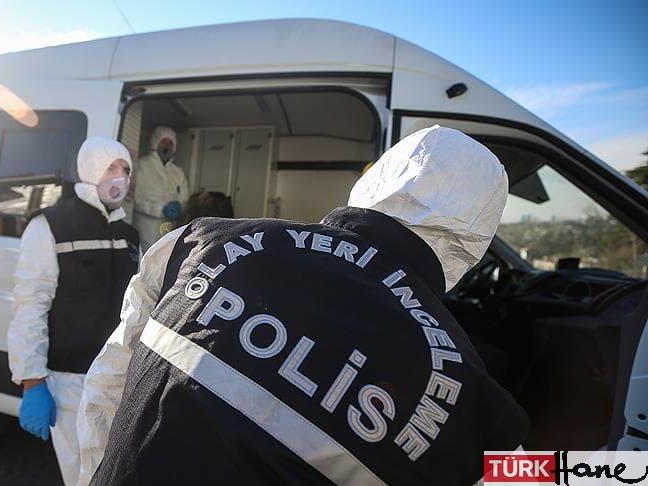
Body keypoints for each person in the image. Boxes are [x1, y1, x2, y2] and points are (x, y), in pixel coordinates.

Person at [76, 126, 529, 485]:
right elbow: (539, 476)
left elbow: (108, 383)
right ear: (474, 239)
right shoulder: (477, 406)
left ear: (377, 179)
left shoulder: (201, 242)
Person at [7, 137, 139, 486]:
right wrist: (32, 381)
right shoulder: (50, 225)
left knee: (115, 473)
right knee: (83, 475)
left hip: (118, 379)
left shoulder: (129, 235)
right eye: (111, 167)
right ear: (91, 169)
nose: (121, 177)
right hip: (70, 382)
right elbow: (30, 303)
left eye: (125, 170)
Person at [133, 126, 190, 252]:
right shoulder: (142, 166)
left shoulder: (178, 172)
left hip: (170, 230)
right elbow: (136, 199)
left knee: (167, 258)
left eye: (171, 143)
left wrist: (180, 207)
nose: (167, 146)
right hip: (146, 231)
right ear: (155, 143)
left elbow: (185, 198)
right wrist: (160, 209)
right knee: (148, 260)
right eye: (163, 142)